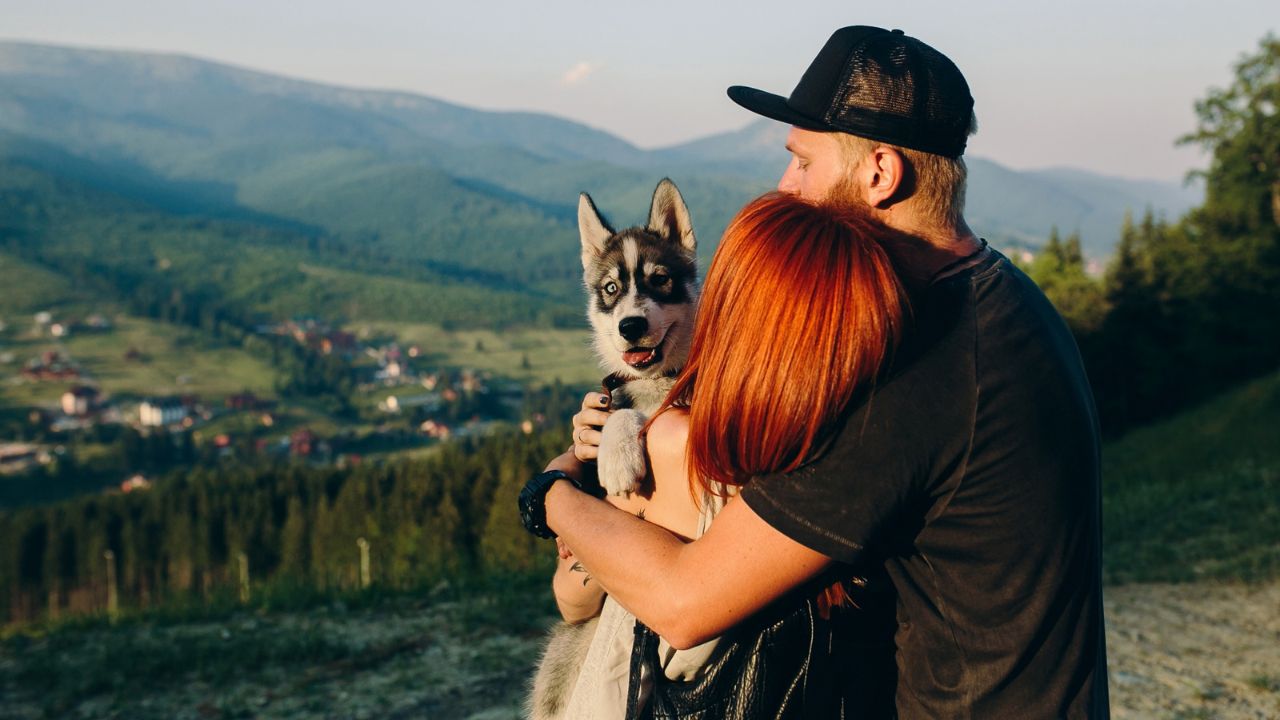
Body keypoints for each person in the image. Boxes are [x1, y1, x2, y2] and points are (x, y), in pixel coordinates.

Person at [520, 25, 1109, 718]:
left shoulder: (920, 366)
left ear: (880, 173)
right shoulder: (998, 296)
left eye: (802, 161)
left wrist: (550, 491)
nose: (786, 185)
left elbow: (684, 602)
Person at [543, 192, 912, 718]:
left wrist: (553, 490)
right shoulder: (871, 428)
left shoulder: (684, 436)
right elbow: (574, 596)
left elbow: (578, 596)